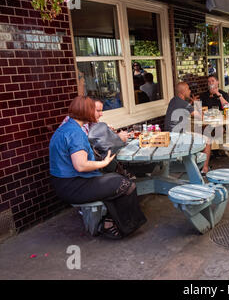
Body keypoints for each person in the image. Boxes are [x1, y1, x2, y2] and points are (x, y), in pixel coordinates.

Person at [49, 96, 147, 240]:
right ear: (86, 111)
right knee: (126, 184)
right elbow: (81, 165)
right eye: (97, 111)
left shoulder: (68, 127)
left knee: (116, 181)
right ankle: (124, 226)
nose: (100, 114)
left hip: (65, 183)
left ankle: (109, 222)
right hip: (73, 185)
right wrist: (104, 163)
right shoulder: (76, 133)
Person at [164, 82, 211, 175]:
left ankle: (197, 164)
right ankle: (204, 169)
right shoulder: (183, 103)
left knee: (197, 135)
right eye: (188, 89)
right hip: (179, 137)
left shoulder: (173, 100)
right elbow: (200, 117)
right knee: (207, 141)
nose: (190, 91)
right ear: (182, 92)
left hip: (171, 135)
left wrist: (191, 103)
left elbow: (185, 108)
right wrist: (196, 104)